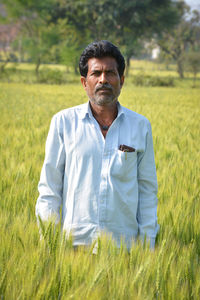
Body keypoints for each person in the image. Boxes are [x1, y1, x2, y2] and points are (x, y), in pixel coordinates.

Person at [36, 40, 159, 250]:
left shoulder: (140, 126)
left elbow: (147, 190)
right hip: (74, 247)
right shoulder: (63, 123)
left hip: (123, 250)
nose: (104, 80)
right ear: (84, 82)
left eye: (110, 73)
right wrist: (49, 245)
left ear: (121, 80)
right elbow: (50, 189)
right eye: (96, 74)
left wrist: (146, 246)